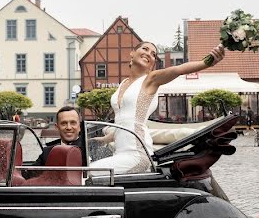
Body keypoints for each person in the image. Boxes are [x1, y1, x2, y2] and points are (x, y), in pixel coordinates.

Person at [91, 41, 225, 175]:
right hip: (119, 154)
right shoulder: (123, 84)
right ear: (132, 53)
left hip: (138, 156)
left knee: (88, 172)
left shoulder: (151, 79)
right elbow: (124, 123)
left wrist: (208, 62)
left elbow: (178, 70)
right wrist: (102, 140)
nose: (148, 54)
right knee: (84, 168)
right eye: (145, 49)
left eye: (153, 54)